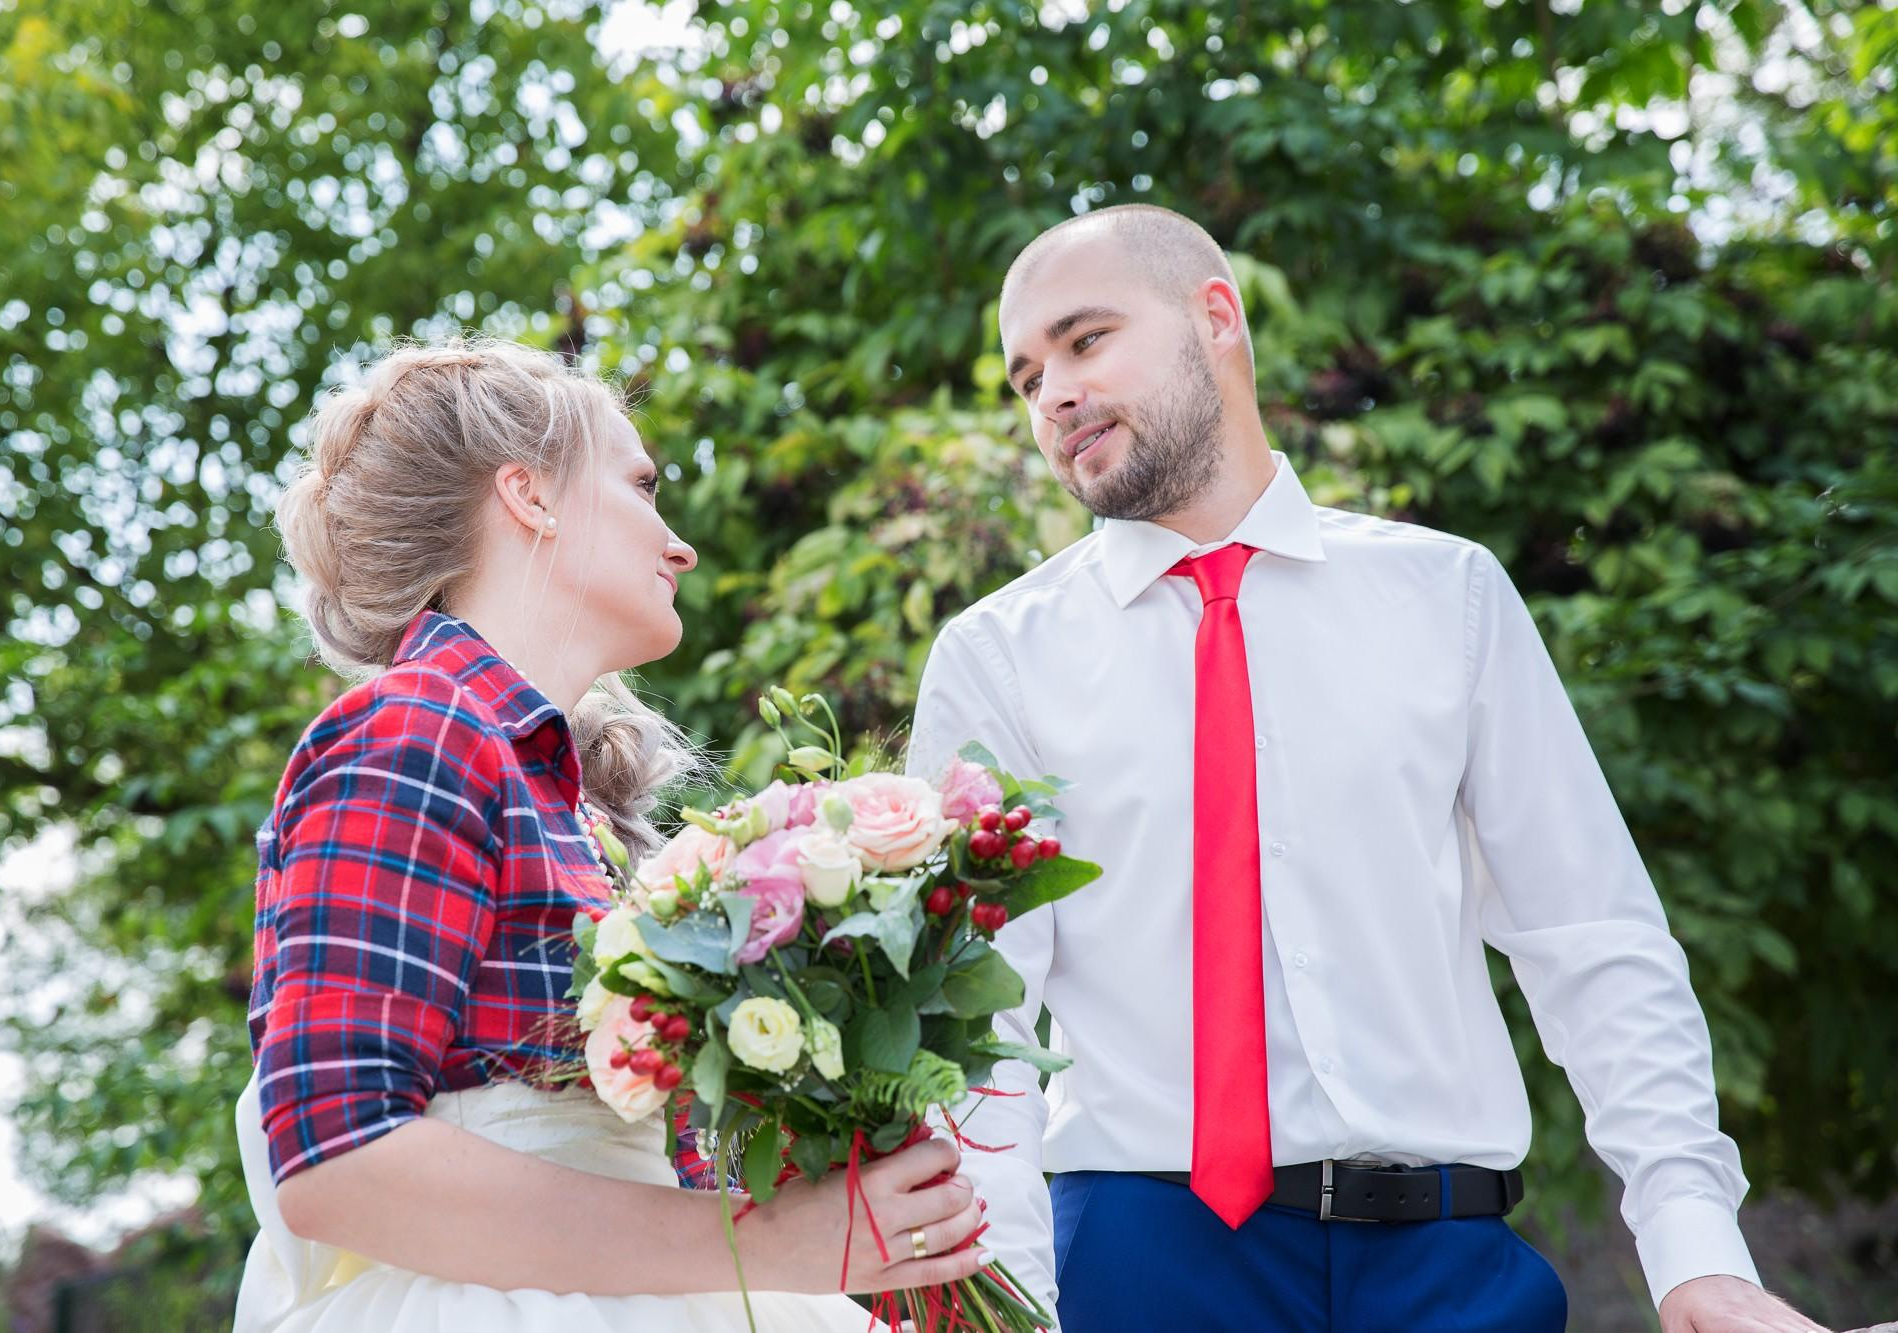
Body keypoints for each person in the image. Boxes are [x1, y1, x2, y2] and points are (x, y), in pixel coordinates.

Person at [906, 206, 1825, 1333]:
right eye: (1024, 376)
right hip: (1139, 1267)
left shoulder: (1450, 597)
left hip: (1448, 1266)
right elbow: (977, 1031)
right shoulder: (997, 658)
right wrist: (997, 1307)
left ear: (1215, 318)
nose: (1050, 393)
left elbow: (1592, 940)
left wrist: (1694, 1250)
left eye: (1084, 340)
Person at [234, 337, 988, 1332]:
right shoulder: (411, 729)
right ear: (529, 496)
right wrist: (762, 1245)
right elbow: (338, 1161)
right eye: (641, 483)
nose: (678, 541)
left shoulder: (570, 804)